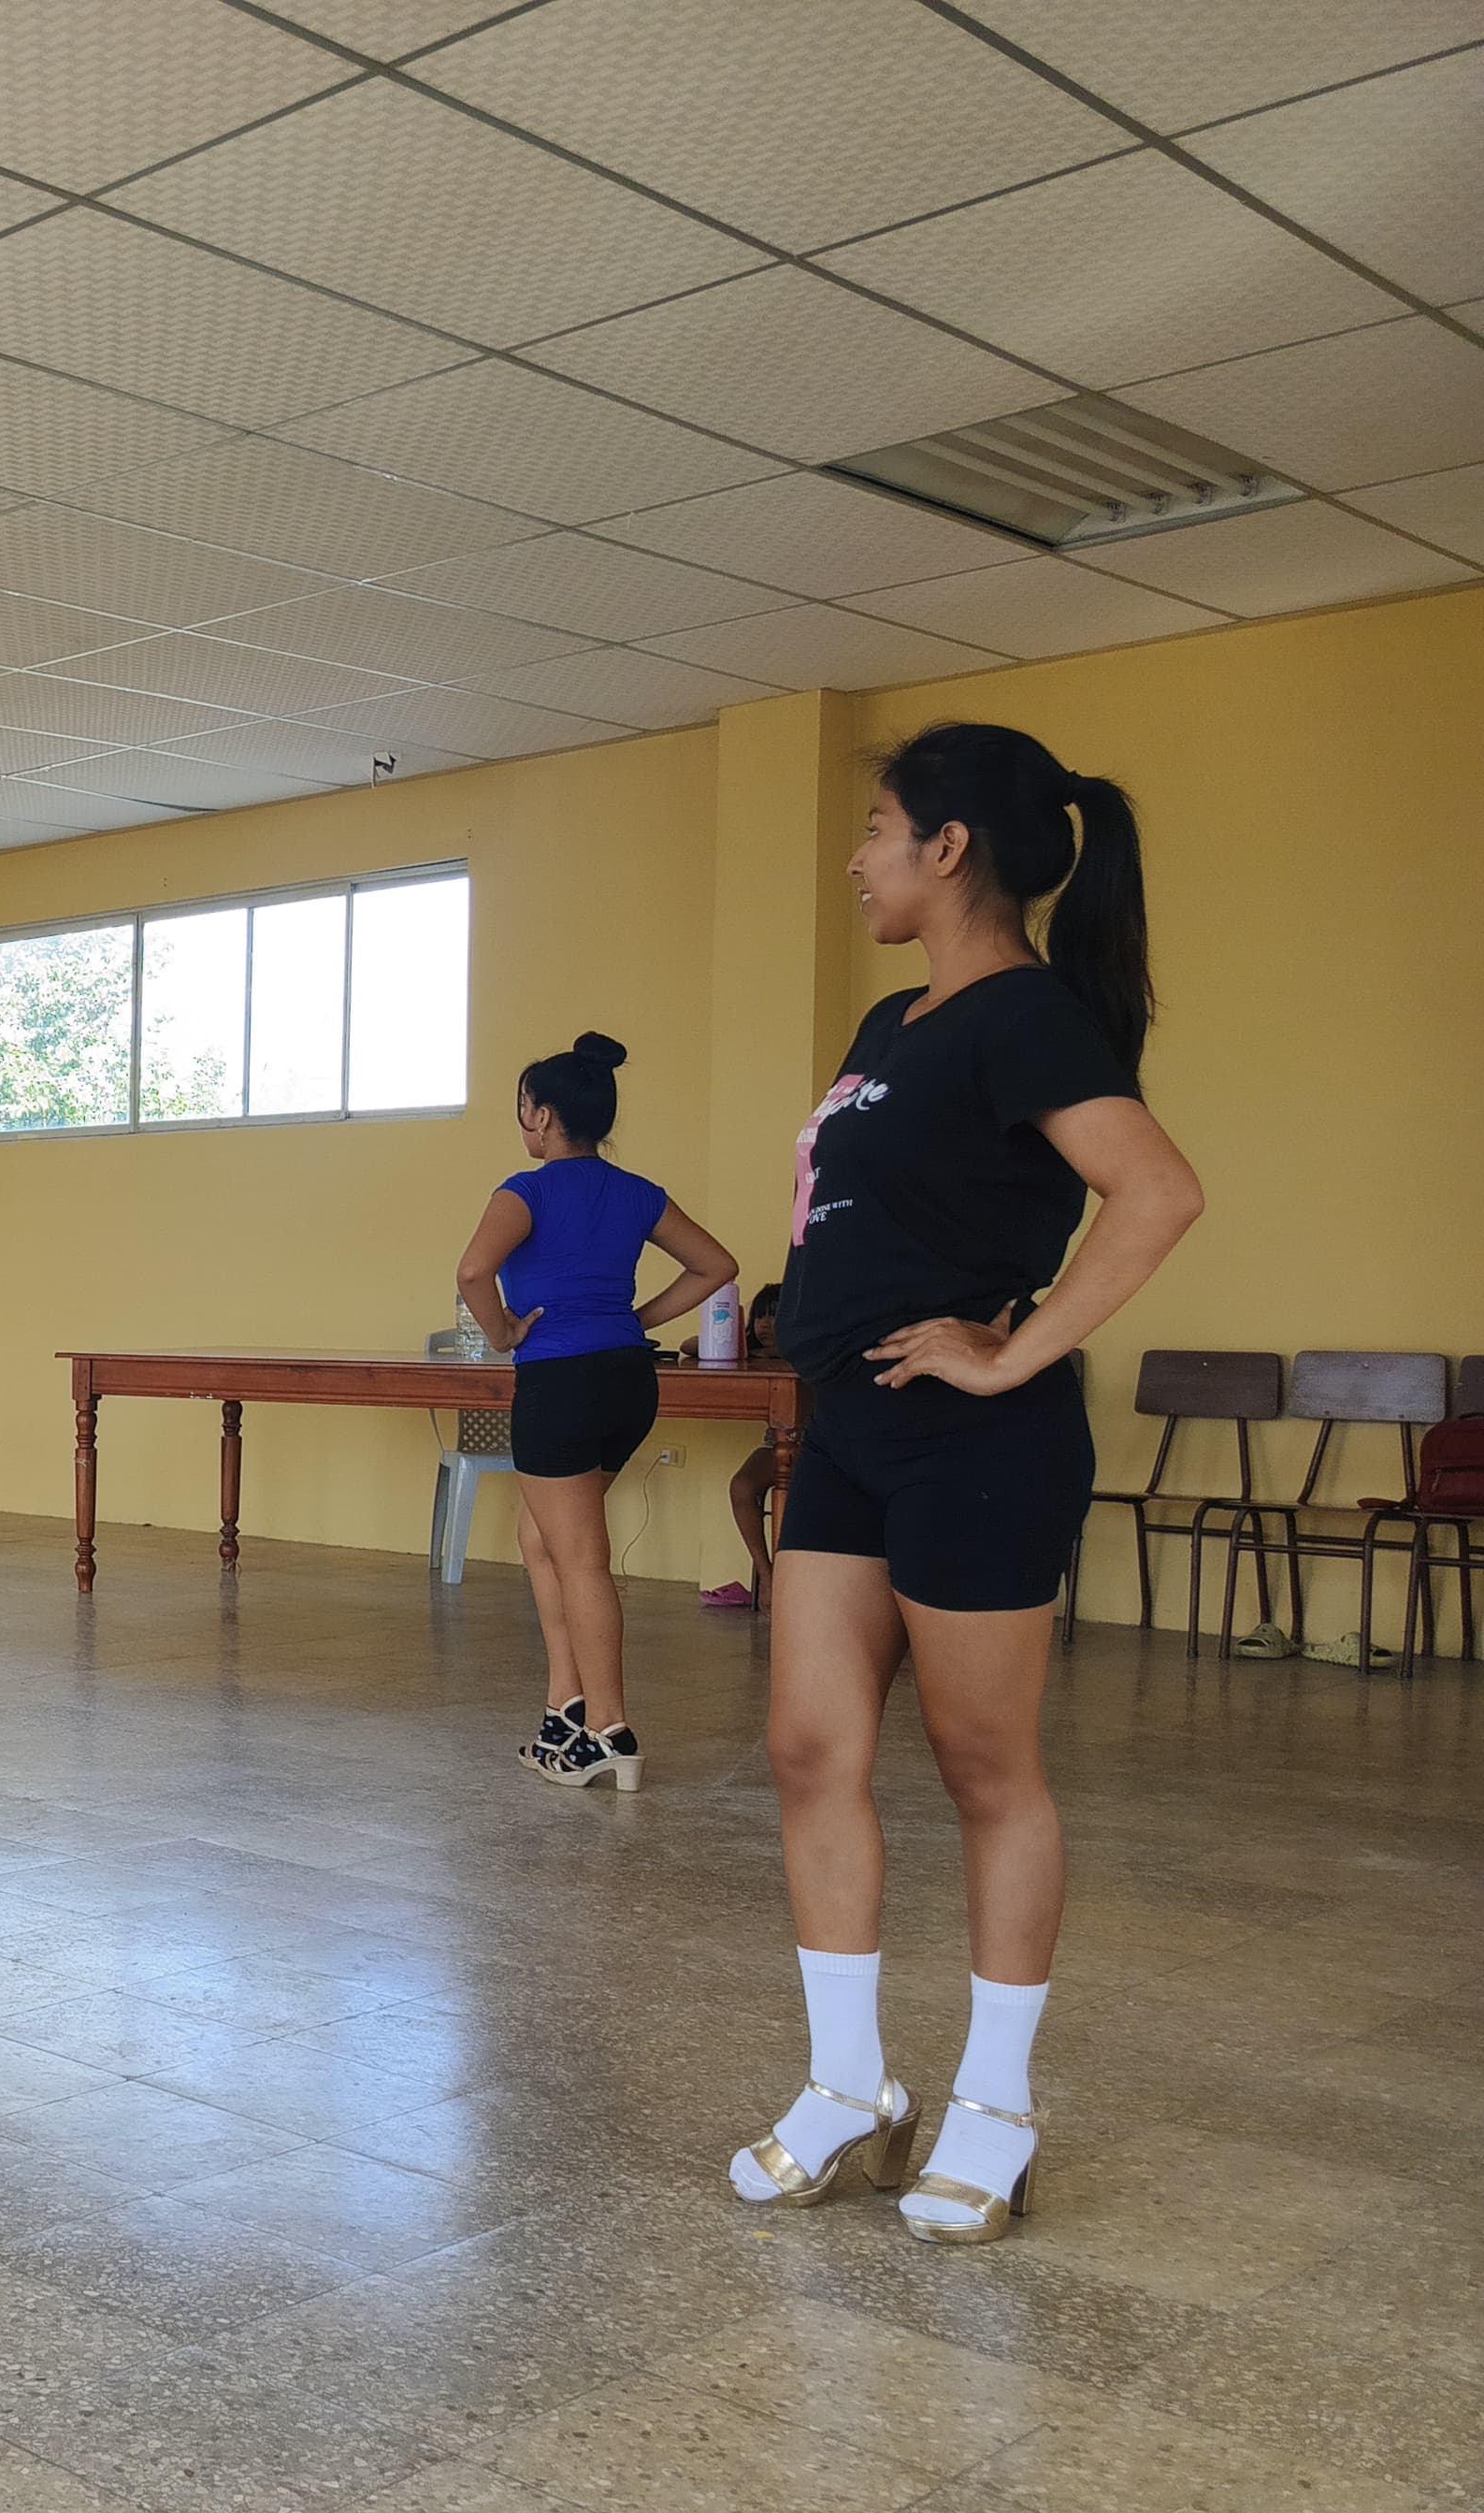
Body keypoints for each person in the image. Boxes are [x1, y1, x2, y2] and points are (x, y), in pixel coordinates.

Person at [729, 722, 1201, 2244]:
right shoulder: (891, 1018)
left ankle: (994, 2106)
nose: (855, 857)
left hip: (972, 1440)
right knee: (809, 1746)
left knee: (982, 1765)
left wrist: (1015, 1353)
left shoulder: (1025, 1016)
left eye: (876, 828)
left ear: (947, 848)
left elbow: (1157, 1190)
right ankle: (849, 2087)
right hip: (851, 1426)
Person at [454, 1033, 739, 1791]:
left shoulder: (526, 1191)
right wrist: (635, 1319)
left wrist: (503, 1333)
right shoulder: (637, 1192)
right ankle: (565, 1707)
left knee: (579, 1557)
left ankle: (609, 1731)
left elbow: (474, 1270)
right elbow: (716, 1266)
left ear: (544, 1116)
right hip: (626, 1381)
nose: (523, 1122)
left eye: (523, 1108)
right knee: (540, 1536)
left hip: (561, 1383)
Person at [707, 1282, 790, 1611]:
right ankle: (767, 1576)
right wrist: (743, 1346)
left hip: (819, 1448)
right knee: (742, 1485)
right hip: (777, 1448)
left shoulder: (810, 1350)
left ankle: (790, 1582)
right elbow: (690, 1345)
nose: (765, 1324)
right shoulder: (750, 1354)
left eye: (775, 1315)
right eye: (760, 1316)